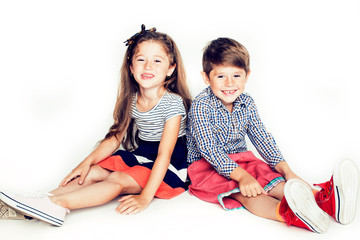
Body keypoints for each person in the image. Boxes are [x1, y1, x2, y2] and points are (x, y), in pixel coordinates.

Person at [0, 24, 191, 227]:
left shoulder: (172, 103)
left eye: (157, 61)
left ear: (171, 68)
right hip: (142, 155)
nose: (148, 66)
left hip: (170, 165)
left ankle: (57, 204)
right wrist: (86, 163)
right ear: (131, 67)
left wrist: (145, 197)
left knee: (117, 179)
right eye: (141, 60)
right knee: (92, 173)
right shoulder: (132, 98)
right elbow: (115, 137)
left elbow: (164, 154)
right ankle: (36, 203)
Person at [186, 37, 360, 233]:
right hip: (206, 167)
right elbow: (209, 149)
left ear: (247, 75)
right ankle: (290, 214)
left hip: (243, 161)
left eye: (236, 75)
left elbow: (261, 138)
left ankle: (325, 202)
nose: (229, 83)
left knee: (276, 182)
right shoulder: (202, 105)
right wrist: (242, 177)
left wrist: (288, 172)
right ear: (206, 78)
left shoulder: (247, 102)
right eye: (220, 77)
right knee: (248, 193)